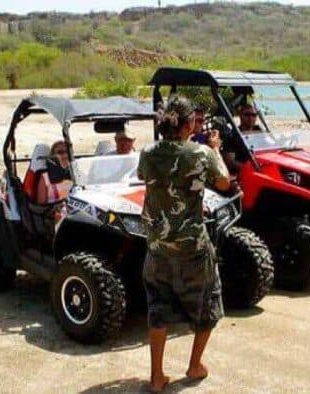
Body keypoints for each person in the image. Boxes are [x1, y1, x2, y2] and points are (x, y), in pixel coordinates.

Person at [137, 95, 231, 393]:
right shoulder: (201, 153)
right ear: (190, 123)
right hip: (193, 248)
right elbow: (225, 182)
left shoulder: (148, 151)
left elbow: (145, 177)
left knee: (158, 307)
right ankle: (194, 365)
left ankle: (156, 377)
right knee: (207, 304)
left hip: (158, 246)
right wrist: (215, 149)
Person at [221, 103, 263, 174]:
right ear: (240, 116)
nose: (251, 118)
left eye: (254, 115)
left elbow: (270, 145)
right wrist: (251, 169)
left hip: (261, 166)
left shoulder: (259, 131)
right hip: (243, 173)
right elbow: (230, 161)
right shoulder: (232, 135)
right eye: (247, 115)